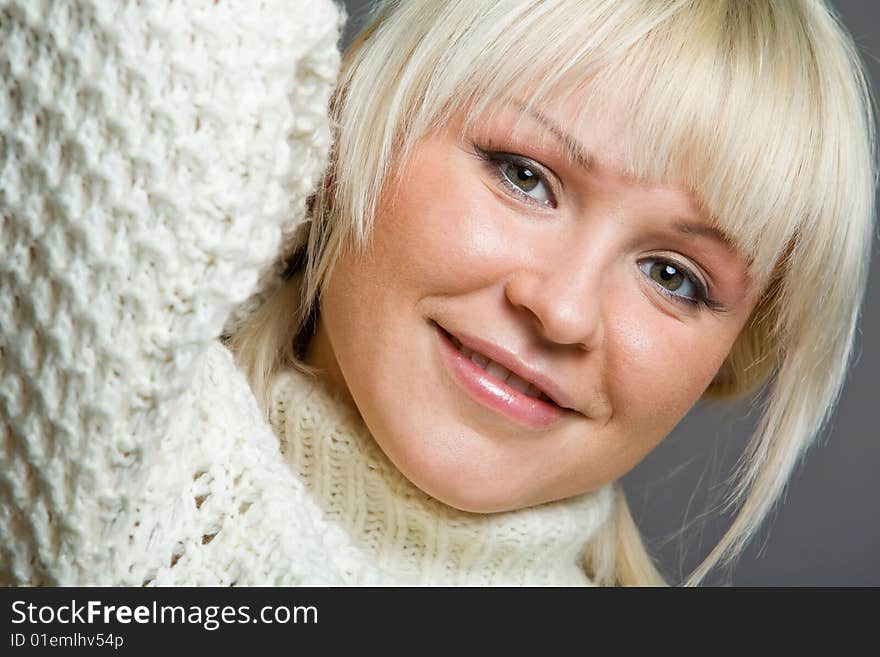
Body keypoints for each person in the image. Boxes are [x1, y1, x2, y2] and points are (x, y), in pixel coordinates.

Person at [1, 0, 875, 586]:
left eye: (672, 276)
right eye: (523, 174)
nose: (563, 310)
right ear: (347, 124)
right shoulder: (104, 463)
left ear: (734, 356)